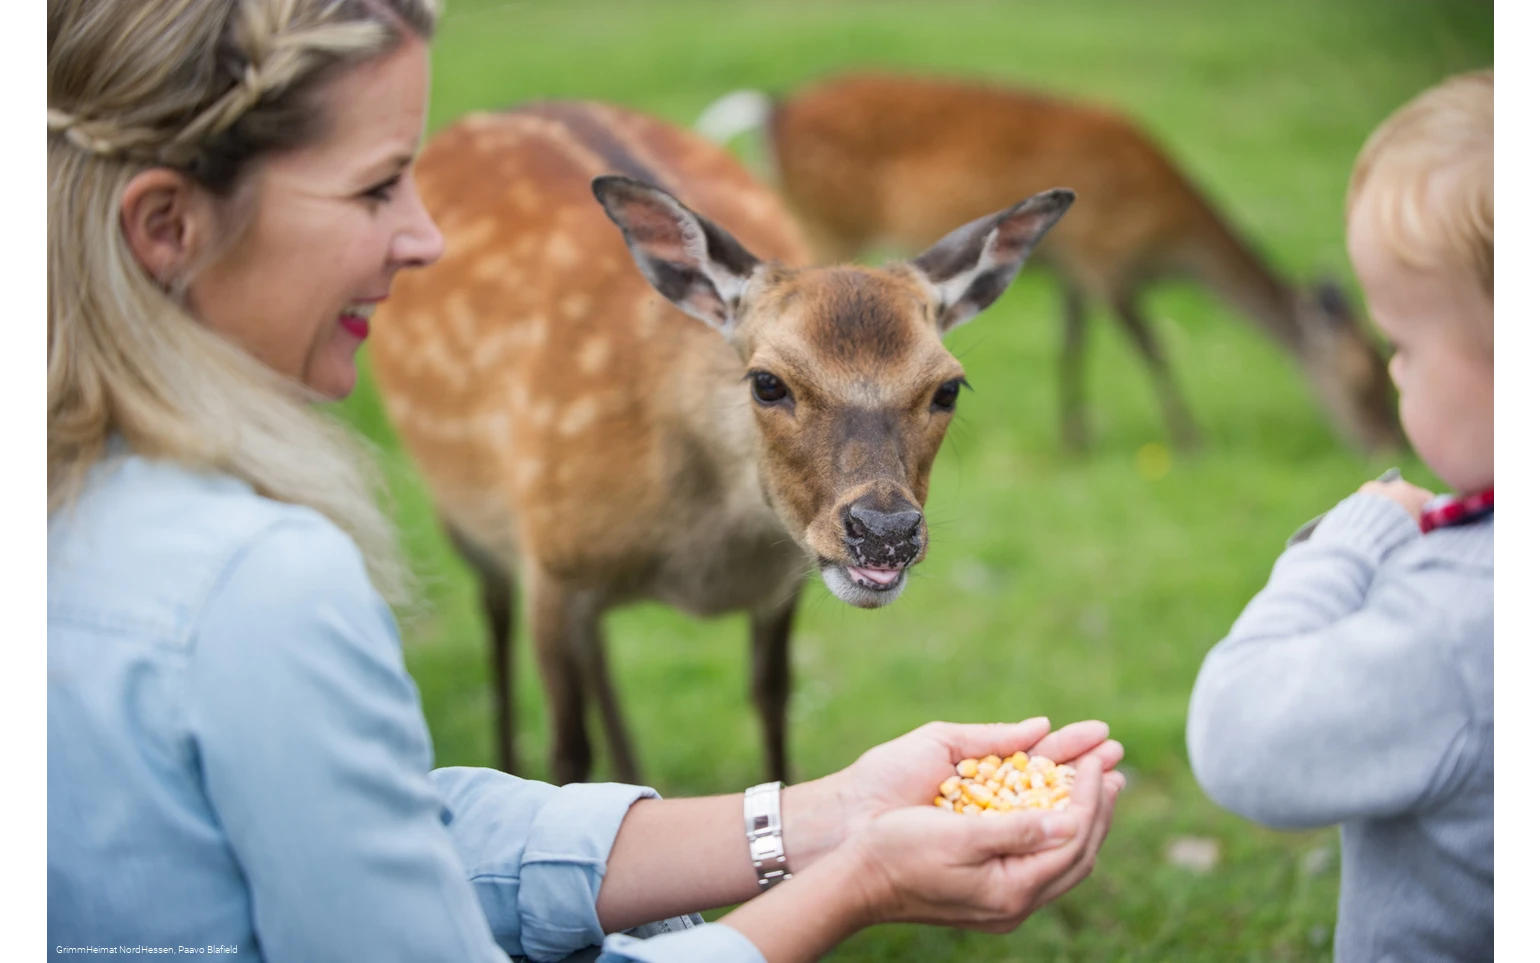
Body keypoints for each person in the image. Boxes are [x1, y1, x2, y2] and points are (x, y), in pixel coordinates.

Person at [41, 2, 1126, 961]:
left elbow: (379, 837)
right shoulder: (255, 588)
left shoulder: (101, 513)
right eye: (378, 187)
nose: (430, 239)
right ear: (168, 226)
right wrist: (856, 883)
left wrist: (817, 820)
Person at [1185, 67, 1494, 963]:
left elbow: (1241, 735)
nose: (1392, 370)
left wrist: (1347, 546)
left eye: (1404, 343)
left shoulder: (1455, 628)